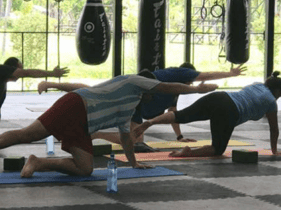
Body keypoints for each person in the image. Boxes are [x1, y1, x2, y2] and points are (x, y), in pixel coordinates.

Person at [0, 71, 218, 177]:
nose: (155, 93)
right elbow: (167, 86)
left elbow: (126, 137)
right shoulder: (133, 80)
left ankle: (37, 162)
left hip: (83, 124)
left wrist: (134, 161)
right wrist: (196, 89)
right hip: (75, 107)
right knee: (28, 134)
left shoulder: (130, 104)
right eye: (153, 88)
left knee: (85, 169)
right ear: (147, 83)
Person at [38, 63, 246, 153]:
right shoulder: (181, 74)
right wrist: (230, 75)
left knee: (136, 141)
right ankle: (53, 85)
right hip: (135, 97)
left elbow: (172, 113)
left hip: (138, 106)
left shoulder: (177, 90)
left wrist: (180, 138)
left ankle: (94, 134)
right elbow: (206, 76)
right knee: (93, 92)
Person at [132, 71, 281, 157]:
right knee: (217, 150)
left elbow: (272, 84)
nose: (278, 98)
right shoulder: (271, 101)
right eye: (280, 94)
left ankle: (150, 122)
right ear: (277, 92)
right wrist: (274, 150)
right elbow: (274, 129)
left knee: (180, 115)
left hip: (219, 97)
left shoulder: (257, 84)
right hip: (229, 111)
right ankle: (188, 153)